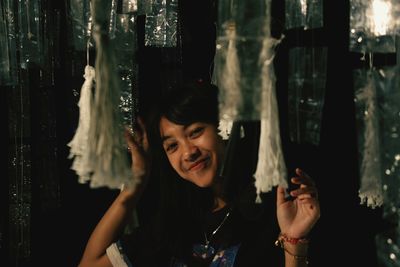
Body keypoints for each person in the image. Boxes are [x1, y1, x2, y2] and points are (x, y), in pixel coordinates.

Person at [78, 81, 320, 267]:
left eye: (195, 132)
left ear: (223, 129)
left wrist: (294, 240)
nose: (188, 153)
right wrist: (136, 183)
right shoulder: (175, 223)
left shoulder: (277, 210)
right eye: (172, 146)